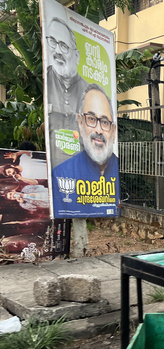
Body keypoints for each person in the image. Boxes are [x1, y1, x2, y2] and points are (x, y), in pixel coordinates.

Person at [51, 83, 119, 218]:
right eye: (92, 119)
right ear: (80, 123)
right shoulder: (61, 173)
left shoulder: (117, 167)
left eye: (105, 122)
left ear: (113, 131)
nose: (99, 130)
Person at [45, 17, 89, 167]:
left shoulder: (90, 93)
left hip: (81, 175)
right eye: (53, 42)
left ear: (76, 56)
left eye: (63, 45)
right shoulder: (45, 81)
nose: (57, 50)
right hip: (52, 174)